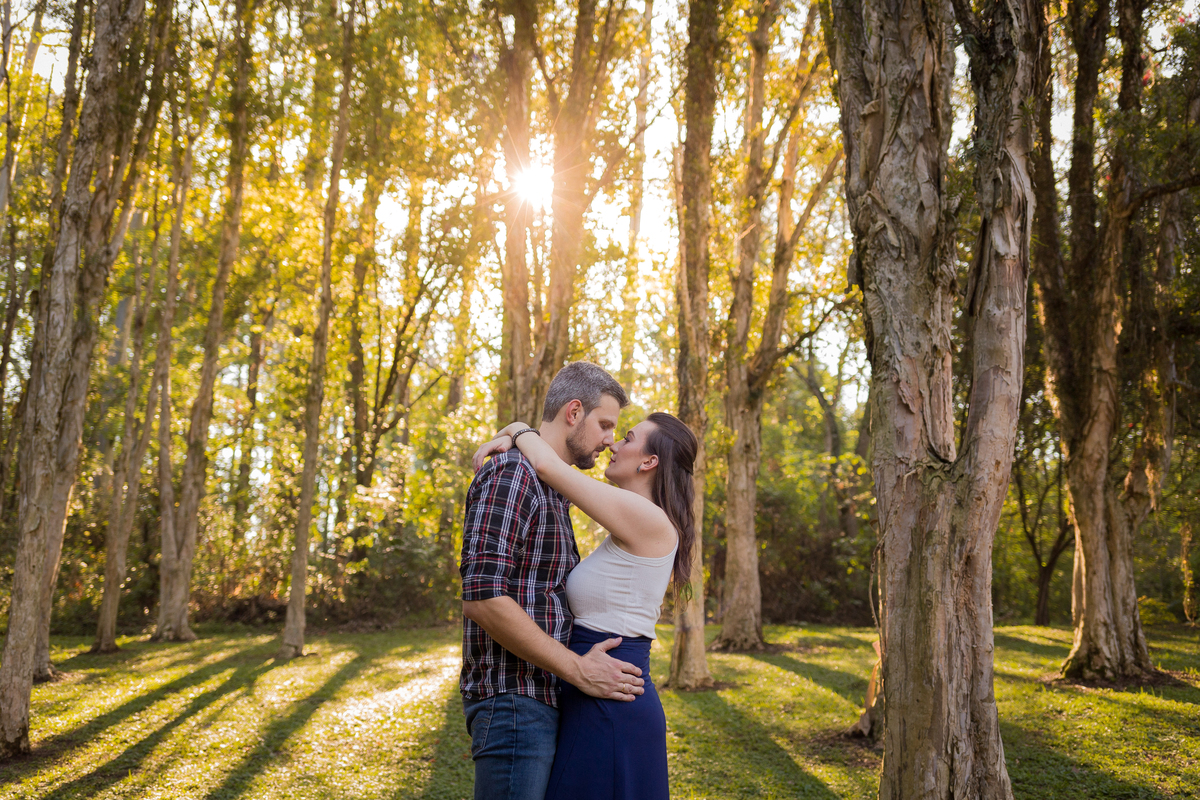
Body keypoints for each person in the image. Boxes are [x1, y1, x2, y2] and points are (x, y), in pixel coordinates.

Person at [474, 408, 698, 800]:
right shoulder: (632, 523)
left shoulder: (648, 518)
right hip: (591, 686)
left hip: (611, 698)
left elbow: (546, 465)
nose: (613, 442)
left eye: (626, 437)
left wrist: (516, 429)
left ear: (649, 462)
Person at [459, 362, 647, 800]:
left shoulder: (550, 485)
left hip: (539, 698)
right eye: (605, 424)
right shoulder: (511, 474)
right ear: (574, 412)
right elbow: (483, 597)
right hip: (512, 702)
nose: (608, 439)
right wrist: (578, 668)